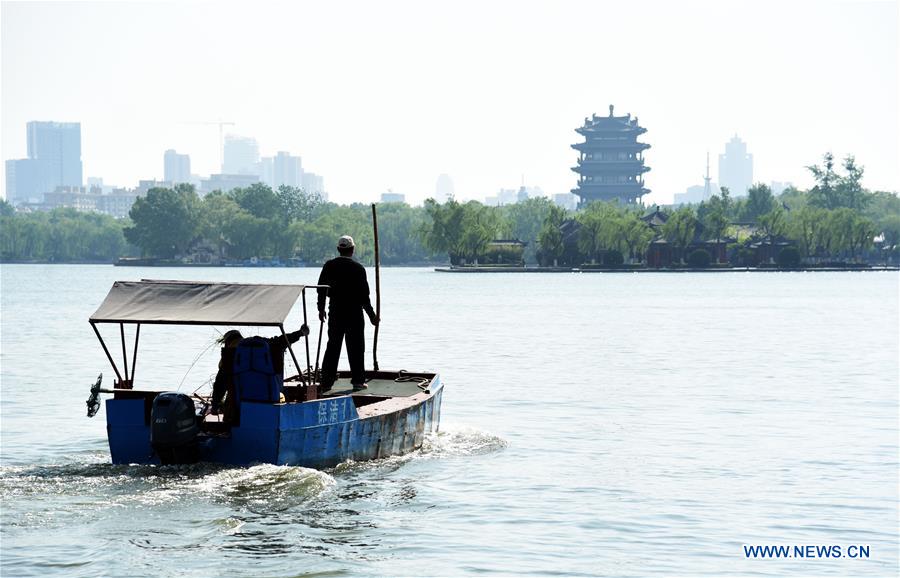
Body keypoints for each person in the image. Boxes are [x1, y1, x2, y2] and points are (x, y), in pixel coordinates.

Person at [317, 235, 378, 391]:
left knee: (333, 346)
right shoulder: (358, 269)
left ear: (339, 249)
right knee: (356, 347)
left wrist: (321, 308)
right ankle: (358, 381)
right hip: (354, 313)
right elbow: (364, 297)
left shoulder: (329, 266)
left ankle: (326, 381)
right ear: (352, 250)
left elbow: (321, 289)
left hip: (336, 311)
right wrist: (372, 316)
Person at [210, 324, 309, 415]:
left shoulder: (229, 357)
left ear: (227, 343)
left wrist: (215, 406)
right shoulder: (262, 345)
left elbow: (219, 386)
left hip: (241, 403)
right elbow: (282, 340)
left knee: (231, 399)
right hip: (269, 399)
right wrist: (300, 333)